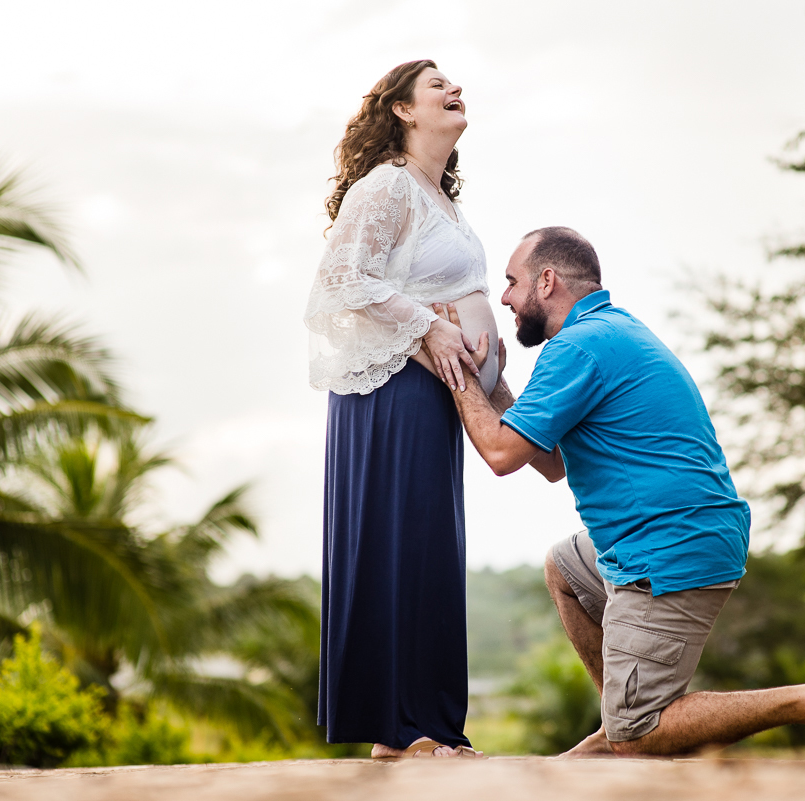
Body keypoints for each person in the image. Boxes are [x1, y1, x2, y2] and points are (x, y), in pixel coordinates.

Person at [432, 226, 805, 759]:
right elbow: (552, 464)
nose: (505, 297)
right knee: (565, 567)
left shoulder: (577, 348)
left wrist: (455, 369)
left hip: (669, 546)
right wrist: (494, 387)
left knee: (641, 734)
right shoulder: (609, 332)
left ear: (547, 281)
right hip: (678, 533)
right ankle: (622, 719)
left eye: (513, 282)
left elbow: (498, 455)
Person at [303, 59, 497, 759]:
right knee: (403, 546)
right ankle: (405, 727)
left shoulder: (440, 198)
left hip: (439, 395)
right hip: (392, 390)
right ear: (404, 110)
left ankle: (429, 727)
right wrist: (431, 326)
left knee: (432, 553)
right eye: (437, 84)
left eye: (457, 83)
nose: (455, 89)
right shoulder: (387, 185)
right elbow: (339, 279)